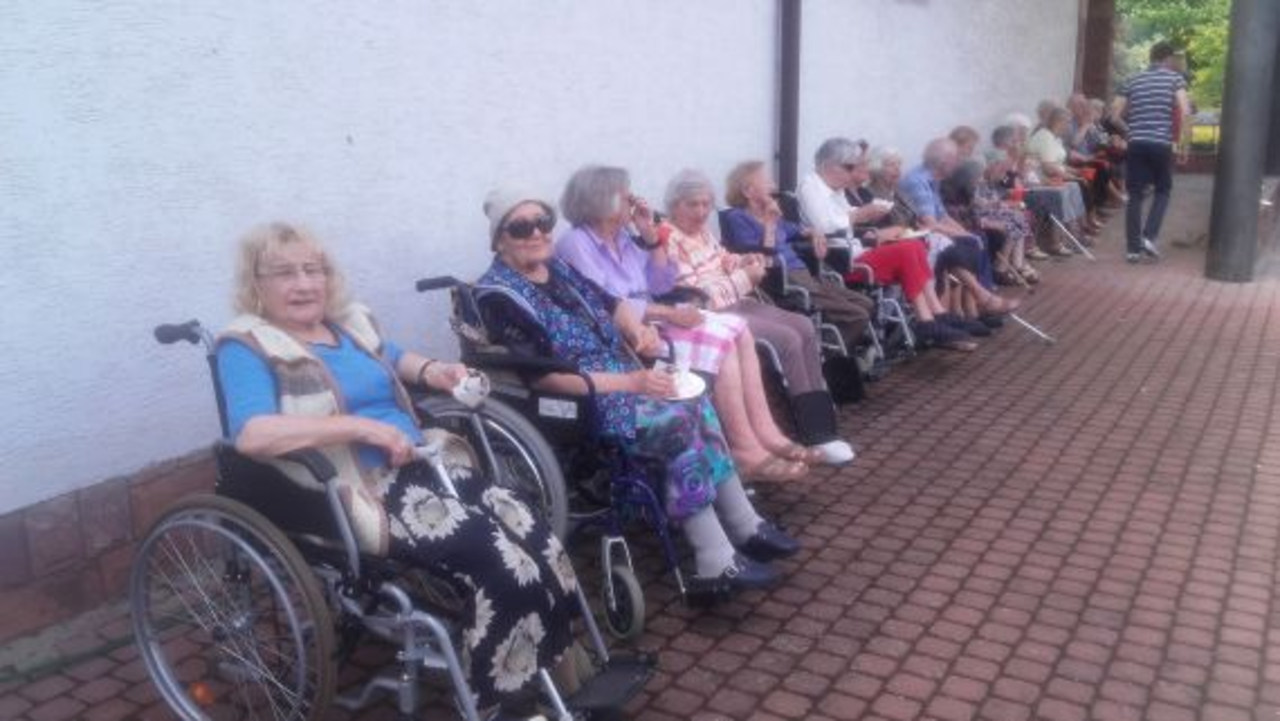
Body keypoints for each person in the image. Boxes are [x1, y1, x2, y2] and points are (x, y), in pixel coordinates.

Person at [216, 222, 575, 720]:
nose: (303, 284)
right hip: (354, 492)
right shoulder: (247, 346)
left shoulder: (346, 327)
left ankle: (547, 662)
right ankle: (502, 702)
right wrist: (362, 428)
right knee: (498, 562)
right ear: (256, 283)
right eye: (284, 273)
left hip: (425, 465)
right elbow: (253, 435)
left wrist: (438, 372)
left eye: (312, 270)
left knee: (534, 534)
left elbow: (396, 358)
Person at [475, 188, 799, 590]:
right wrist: (631, 382)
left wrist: (637, 331)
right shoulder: (499, 295)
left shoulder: (558, 269)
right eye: (521, 227)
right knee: (674, 420)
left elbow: (615, 304)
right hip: (578, 399)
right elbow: (545, 378)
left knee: (694, 398)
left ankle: (744, 525)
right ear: (499, 240)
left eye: (543, 222)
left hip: (622, 376)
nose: (537, 233)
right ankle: (714, 558)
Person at [555, 164, 817, 480]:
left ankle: (766, 432)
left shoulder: (622, 238)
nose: (634, 203)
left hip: (655, 317)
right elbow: (605, 305)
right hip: (626, 333)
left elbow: (660, 284)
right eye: (627, 197)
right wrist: (669, 314)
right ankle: (744, 449)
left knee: (739, 330)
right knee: (722, 340)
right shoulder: (576, 244)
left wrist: (652, 240)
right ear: (602, 200)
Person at [659, 169, 858, 462]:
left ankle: (824, 425)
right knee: (787, 339)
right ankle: (815, 434)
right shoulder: (667, 239)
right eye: (693, 205)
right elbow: (697, 296)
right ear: (675, 205)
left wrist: (744, 260)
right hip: (714, 314)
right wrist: (745, 277)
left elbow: (722, 259)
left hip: (737, 300)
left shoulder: (701, 232)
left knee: (804, 325)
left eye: (705, 204)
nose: (701, 212)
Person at [797, 137, 979, 350]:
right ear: (829, 164)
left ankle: (935, 315)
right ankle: (928, 321)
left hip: (854, 249)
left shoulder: (834, 188)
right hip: (837, 260)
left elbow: (848, 216)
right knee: (908, 249)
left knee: (915, 246)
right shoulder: (810, 186)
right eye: (849, 167)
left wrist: (868, 216)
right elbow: (825, 225)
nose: (852, 173)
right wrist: (860, 215)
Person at [719, 160, 875, 355]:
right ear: (748, 191)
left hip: (804, 274)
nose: (773, 186)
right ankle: (824, 357)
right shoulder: (737, 218)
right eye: (767, 181)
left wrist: (815, 232)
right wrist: (769, 224)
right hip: (783, 279)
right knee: (858, 315)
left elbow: (798, 229)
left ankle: (830, 348)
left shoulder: (773, 215)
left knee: (867, 304)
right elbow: (757, 256)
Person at [1111, 40, 1191, 263]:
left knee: (1135, 194)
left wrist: (1131, 131)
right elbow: (1185, 112)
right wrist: (1184, 145)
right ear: (1168, 58)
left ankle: (1132, 250)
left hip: (1136, 144)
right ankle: (1148, 236)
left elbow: (1113, 115)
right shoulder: (1175, 79)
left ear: (1151, 57)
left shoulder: (1132, 79)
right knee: (1163, 190)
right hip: (1161, 143)